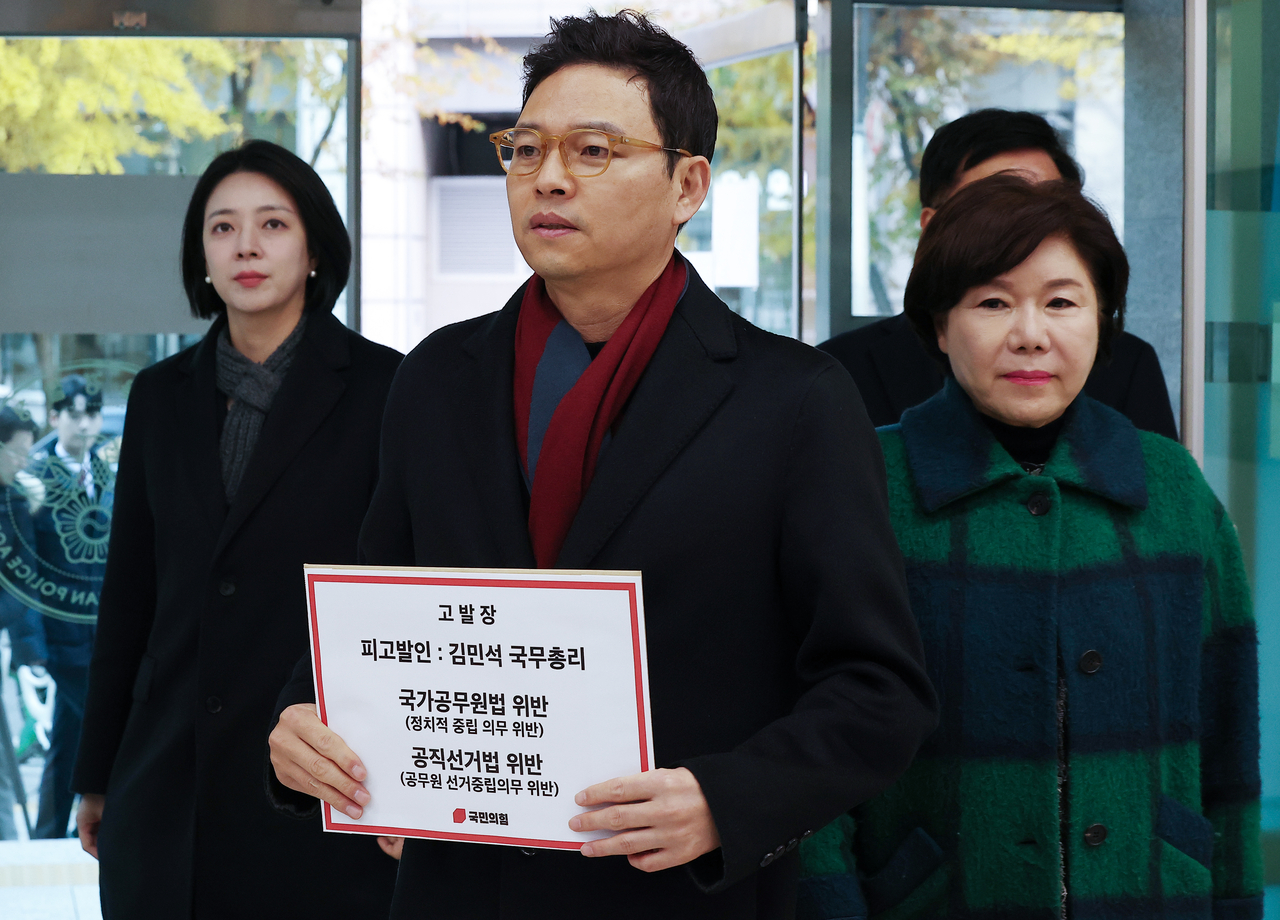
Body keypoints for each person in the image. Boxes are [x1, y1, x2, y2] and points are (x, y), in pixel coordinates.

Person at [269, 11, 937, 920]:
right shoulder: (436, 378)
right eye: (525, 149)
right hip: (461, 889)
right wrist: (308, 717)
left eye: (593, 150)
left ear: (687, 184)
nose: (547, 177)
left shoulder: (795, 399)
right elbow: (380, 607)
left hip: (676, 898)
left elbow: (878, 690)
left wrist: (726, 801)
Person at [799, 175, 1261, 919]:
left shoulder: (1170, 486)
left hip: (1149, 895)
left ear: (1102, 321)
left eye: (1061, 301)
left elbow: (1228, 731)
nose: (1030, 334)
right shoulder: (866, 484)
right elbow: (811, 735)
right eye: (991, 302)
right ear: (940, 325)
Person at [70, 140, 402, 918]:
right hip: (162, 780)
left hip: (318, 783)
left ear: (316, 248)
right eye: (222, 229)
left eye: (273, 224)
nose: (246, 245)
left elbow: (399, 590)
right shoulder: (158, 395)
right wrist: (98, 773)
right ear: (203, 258)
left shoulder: (387, 388)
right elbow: (129, 594)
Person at [819, 109, 1179, 440]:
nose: (1027, 225)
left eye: (1046, 205)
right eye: (991, 208)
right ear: (933, 230)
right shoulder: (837, 371)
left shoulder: (1129, 364)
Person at [22, 375, 112, 838]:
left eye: (92, 413)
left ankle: (48, 832)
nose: (85, 423)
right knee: (109, 728)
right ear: (54, 417)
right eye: (74, 413)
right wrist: (33, 644)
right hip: (63, 638)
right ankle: (108, 823)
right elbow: (26, 570)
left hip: (105, 632)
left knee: (72, 735)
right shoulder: (33, 478)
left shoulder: (106, 470)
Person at [0, 405, 43, 839]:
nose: (24, 464)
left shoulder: (16, 502)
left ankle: (7, 840)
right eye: (17, 454)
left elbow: (24, 585)